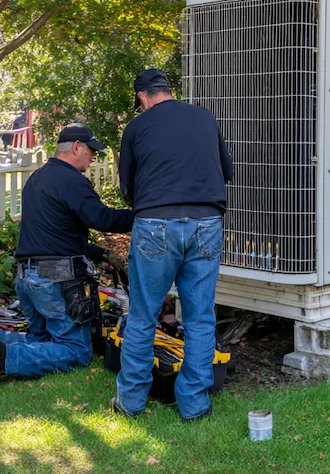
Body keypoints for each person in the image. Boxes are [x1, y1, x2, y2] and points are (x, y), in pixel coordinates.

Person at [0, 124, 135, 391]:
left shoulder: (38, 178)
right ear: (76, 147)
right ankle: (0, 358)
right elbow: (102, 218)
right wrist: (144, 215)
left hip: (26, 277)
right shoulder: (72, 181)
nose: (93, 157)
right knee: (76, 351)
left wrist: (101, 254)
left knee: (41, 340)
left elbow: (56, 235)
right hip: (55, 279)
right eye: (91, 150)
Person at [113, 68, 234, 421]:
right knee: (199, 318)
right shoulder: (205, 117)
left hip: (155, 224)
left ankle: (131, 402)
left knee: (142, 315)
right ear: (168, 90)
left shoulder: (136, 128)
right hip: (206, 222)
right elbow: (226, 171)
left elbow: (128, 188)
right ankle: (194, 405)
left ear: (142, 97)